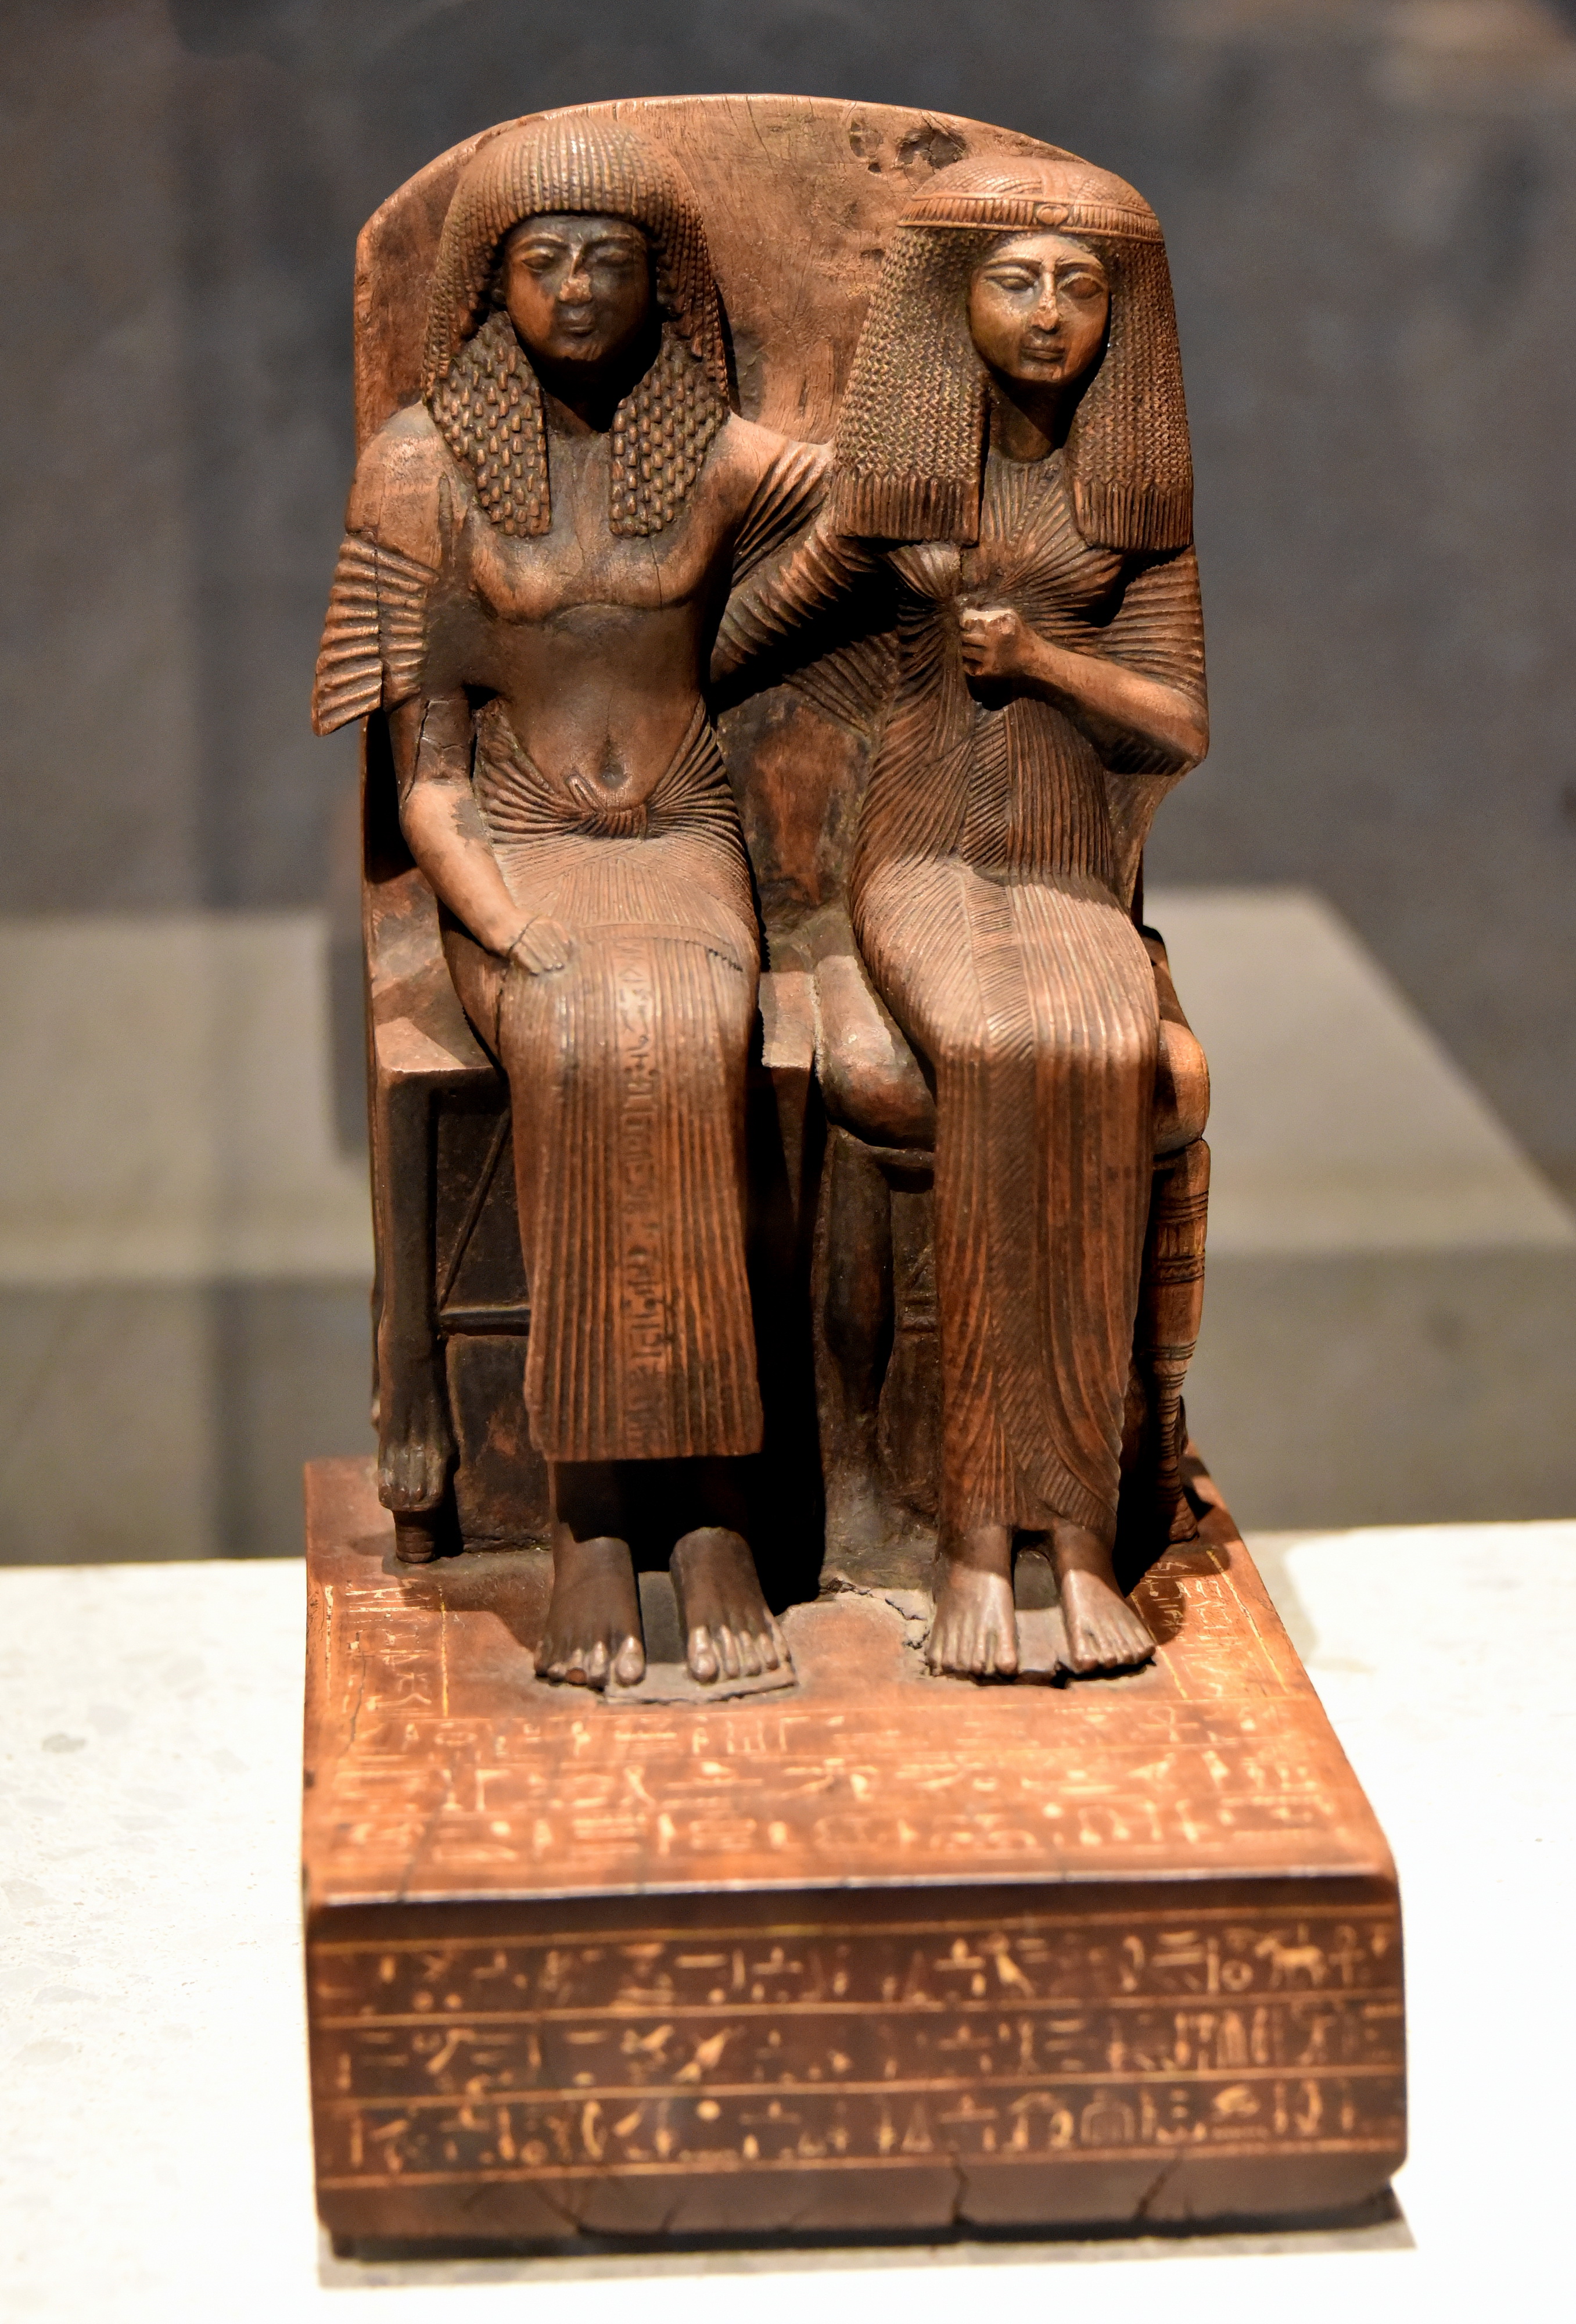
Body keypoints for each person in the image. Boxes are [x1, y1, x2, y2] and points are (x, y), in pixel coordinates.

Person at [313, 118, 826, 1689]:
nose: (580, 287)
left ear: (668, 286)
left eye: (612, 259)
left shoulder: (716, 452)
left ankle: (715, 1511)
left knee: (682, 1028)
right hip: (516, 847)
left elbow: (869, 511)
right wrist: (503, 918)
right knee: (586, 1036)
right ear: (488, 285)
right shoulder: (424, 467)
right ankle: (590, 1518)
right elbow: (428, 783)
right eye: (544, 260)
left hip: (683, 836)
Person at [713, 155, 1209, 1680]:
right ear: (953, 302)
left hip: (1066, 868)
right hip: (920, 858)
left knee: (1097, 1050)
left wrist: (1045, 658)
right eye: (1014, 281)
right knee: (996, 1046)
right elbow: (732, 646)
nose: (1048, 313)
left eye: (1078, 286)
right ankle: (979, 1539)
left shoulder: (1132, 516)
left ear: (1120, 315)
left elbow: (1180, 727)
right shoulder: (899, 500)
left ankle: (1081, 1538)